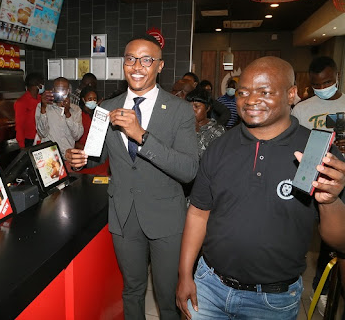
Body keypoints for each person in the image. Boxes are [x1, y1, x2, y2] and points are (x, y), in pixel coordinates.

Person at [175, 56, 345, 320]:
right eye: (243, 92)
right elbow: (198, 213)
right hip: (208, 287)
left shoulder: (316, 152)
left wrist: (330, 201)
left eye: (264, 92)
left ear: (291, 94)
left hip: (272, 300)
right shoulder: (220, 146)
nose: (251, 100)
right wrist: (185, 274)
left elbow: (339, 240)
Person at [65, 34, 199, 320]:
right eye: (130, 59)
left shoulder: (180, 110)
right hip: (124, 213)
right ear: (122, 64)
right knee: (132, 290)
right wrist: (79, 159)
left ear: (160, 66)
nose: (137, 66)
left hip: (165, 216)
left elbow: (188, 170)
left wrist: (141, 136)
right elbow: (96, 154)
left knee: (167, 296)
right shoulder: (106, 107)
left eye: (147, 59)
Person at [291, 56, 345, 315]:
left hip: (341, 182)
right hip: (311, 178)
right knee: (311, 235)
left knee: (336, 239)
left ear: (337, 76)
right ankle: (310, 285)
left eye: (328, 82)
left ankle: (326, 290)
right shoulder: (302, 109)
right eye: (317, 85)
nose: (324, 87)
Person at [35, 77, 84, 158]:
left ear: (68, 91)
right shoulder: (42, 107)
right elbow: (42, 133)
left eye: (64, 89)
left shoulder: (76, 110)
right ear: (53, 90)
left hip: (68, 156)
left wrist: (68, 113)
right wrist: (43, 108)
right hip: (49, 157)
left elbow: (77, 136)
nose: (60, 92)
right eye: (58, 89)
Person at [185, 87, 225, 159]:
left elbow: (210, 159)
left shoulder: (217, 131)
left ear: (207, 108)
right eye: (189, 107)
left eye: (196, 107)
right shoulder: (184, 126)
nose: (192, 110)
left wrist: (196, 133)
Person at [14, 72, 44, 148]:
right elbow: (19, 126)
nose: (42, 86)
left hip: (43, 138)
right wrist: (22, 145)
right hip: (29, 140)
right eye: (41, 83)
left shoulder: (42, 99)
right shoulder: (22, 102)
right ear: (37, 85)